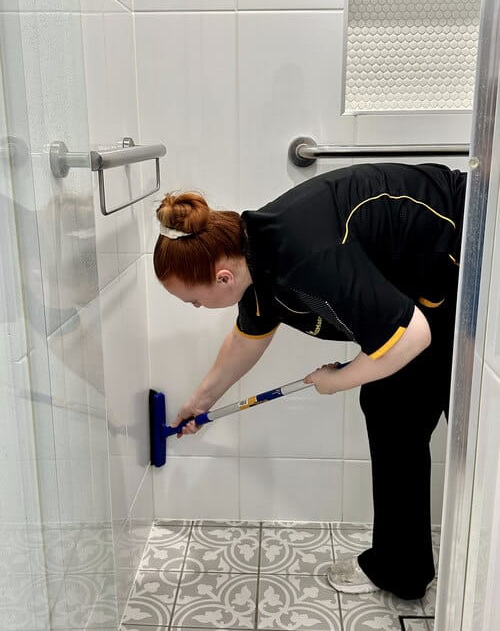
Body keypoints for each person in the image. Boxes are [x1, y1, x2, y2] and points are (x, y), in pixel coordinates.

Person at [153, 162, 466, 600]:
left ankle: (426, 568)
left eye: (192, 301)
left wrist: (339, 381)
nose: (196, 308)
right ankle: (403, 568)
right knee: (393, 409)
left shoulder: (303, 254)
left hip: (469, 250)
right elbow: (247, 340)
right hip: (426, 287)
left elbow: (410, 338)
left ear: (221, 278)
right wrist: (200, 401)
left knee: (470, 421)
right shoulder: (254, 255)